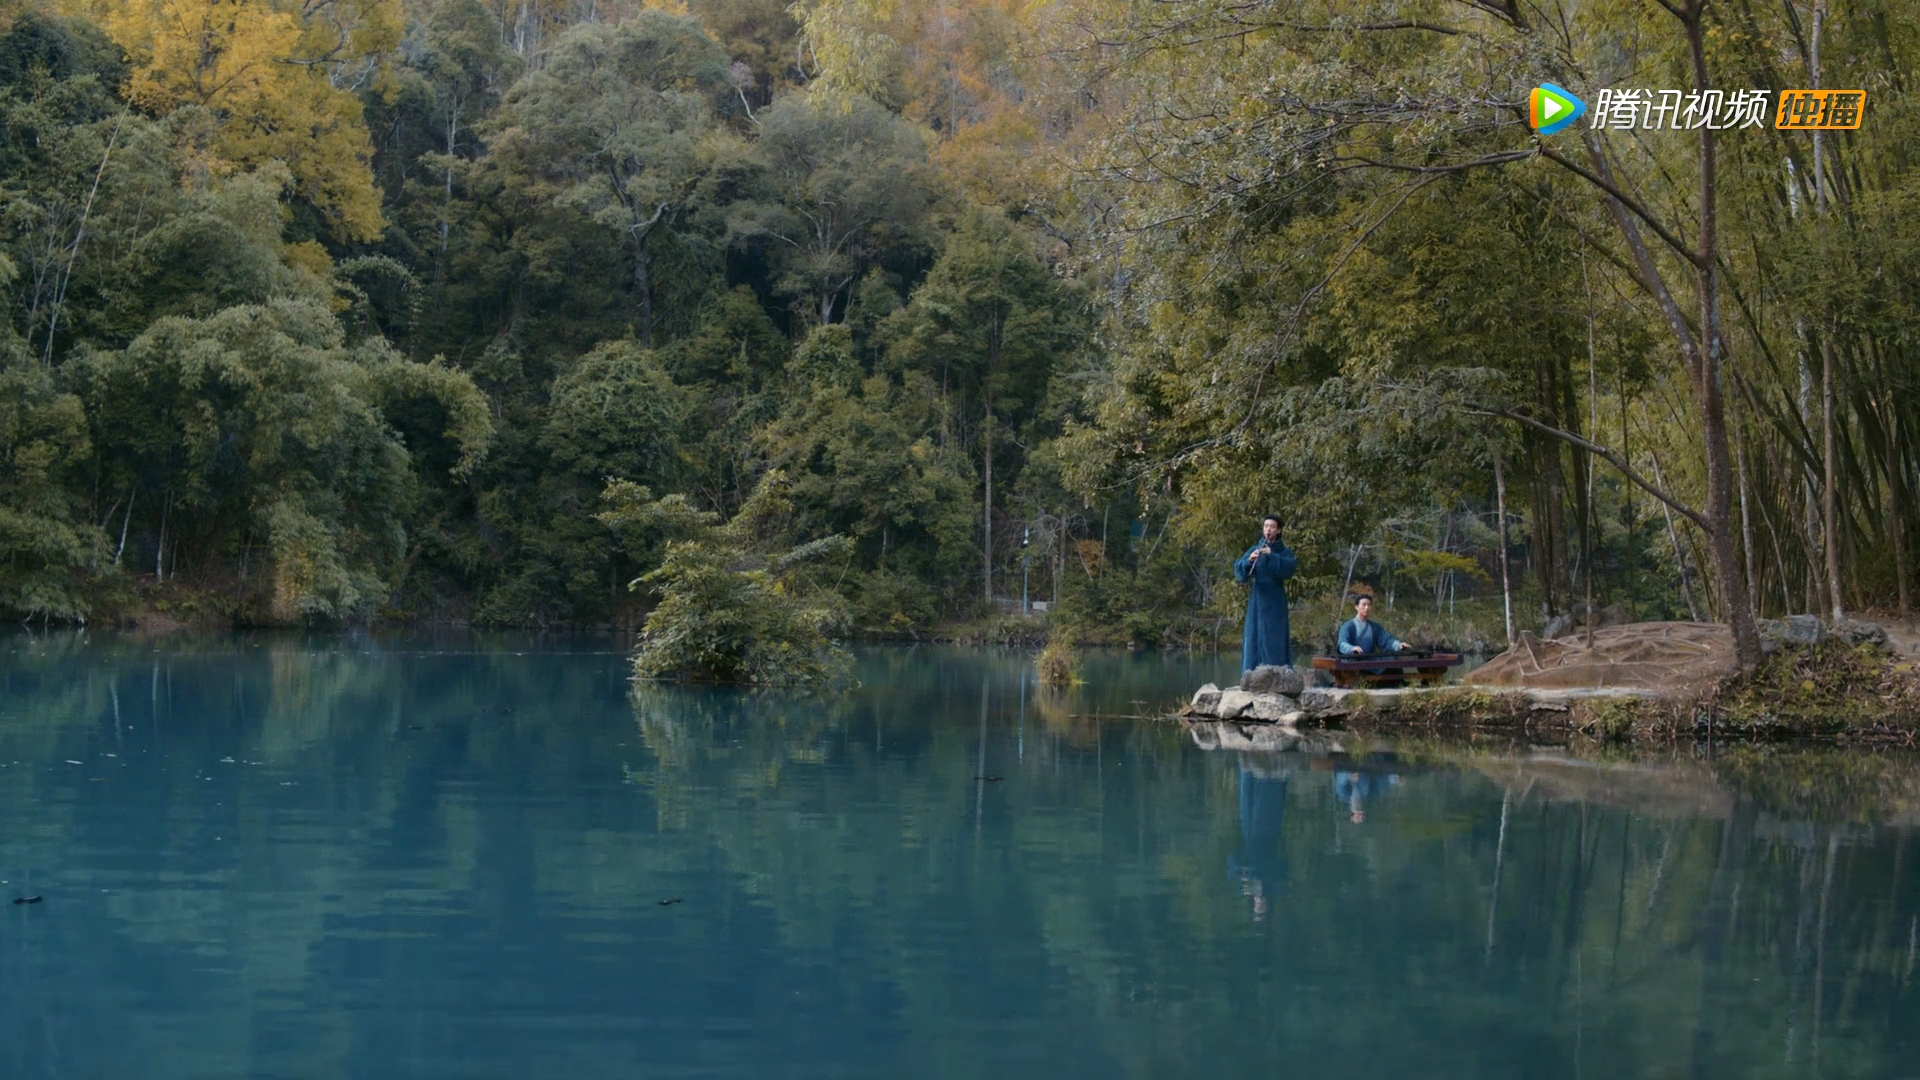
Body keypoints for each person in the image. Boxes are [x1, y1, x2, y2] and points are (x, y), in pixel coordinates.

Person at [1234, 515, 1297, 673]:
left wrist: (1272, 555)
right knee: (1254, 635)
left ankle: (1276, 673)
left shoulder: (1284, 552)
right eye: (1266, 526)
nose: (1268, 530)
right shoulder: (1255, 548)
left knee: (1274, 636)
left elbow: (1289, 569)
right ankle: (1251, 673)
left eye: (1272, 527)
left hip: (1275, 598)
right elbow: (1239, 570)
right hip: (1257, 597)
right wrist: (1248, 561)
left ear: (1279, 530)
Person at [1337, 595, 1407, 657]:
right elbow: (1342, 644)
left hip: (1370, 659)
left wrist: (1398, 645)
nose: (1366, 607)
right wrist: (1351, 649)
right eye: (1364, 605)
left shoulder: (1374, 627)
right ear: (1356, 607)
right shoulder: (1348, 626)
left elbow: (1387, 641)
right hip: (1353, 660)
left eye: (1369, 605)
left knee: (1393, 661)